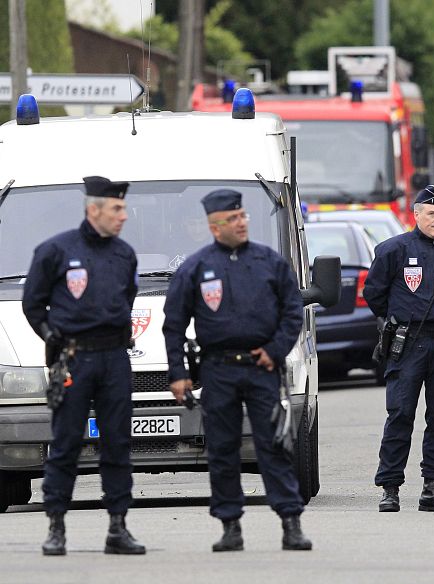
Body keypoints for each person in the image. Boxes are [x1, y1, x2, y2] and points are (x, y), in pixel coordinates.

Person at [162, 189, 312, 553]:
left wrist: (275, 350)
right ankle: (230, 525)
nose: (241, 222)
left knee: (275, 445)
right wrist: (178, 373)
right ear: (215, 227)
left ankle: (290, 522)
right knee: (222, 448)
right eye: (232, 219)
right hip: (217, 370)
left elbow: (293, 311)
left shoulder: (269, 262)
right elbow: (174, 324)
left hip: (262, 368)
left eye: (243, 216)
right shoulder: (196, 267)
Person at [22, 176, 145, 556]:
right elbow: (33, 304)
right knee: (65, 444)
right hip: (74, 357)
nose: (123, 216)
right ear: (95, 210)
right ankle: (56, 526)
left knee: (117, 444)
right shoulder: (55, 250)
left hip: (114, 359)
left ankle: (118, 527)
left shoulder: (124, 254)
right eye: (117, 209)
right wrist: (53, 339)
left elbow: (128, 297)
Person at [364, 185, 434, 513]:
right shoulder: (393, 250)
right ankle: (390, 487)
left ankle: (432, 487)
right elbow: (374, 294)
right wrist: (397, 320)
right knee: (400, 413)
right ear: (416, 214)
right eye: (431, 214)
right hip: (408, 341)